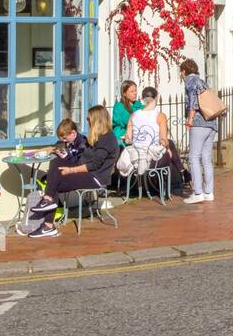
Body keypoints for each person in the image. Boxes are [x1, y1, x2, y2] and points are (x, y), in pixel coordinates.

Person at [27, 108, 120, 236]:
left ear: (97, 120)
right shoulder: (95, 136)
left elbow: (94, 165)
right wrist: (63, 156)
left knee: (54, 182)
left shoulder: (107, 138)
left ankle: (48, 223)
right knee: (56, 163)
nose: (87, 121)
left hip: (96, 177)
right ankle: (48, 208)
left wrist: (71, 170)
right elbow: (81, 160)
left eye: (88, 119)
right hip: (85, 171)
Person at [122, 85, 187, 189]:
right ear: (156, 98)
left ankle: (181, 174)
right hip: (153, 161)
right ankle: (169, 184)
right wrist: (167, 149)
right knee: (168, 151)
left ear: (142, 99)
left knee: (169, 147)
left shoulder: (133, 115)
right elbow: (163, 141)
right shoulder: (160, 116)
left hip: (136, 159)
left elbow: (128, 139)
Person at [181, 59, 217, 204]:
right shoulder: (202, 81)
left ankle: (198, 193)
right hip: (211, 122)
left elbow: (193, 102)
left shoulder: (190, 81)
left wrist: (190, 119)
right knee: (206, 158)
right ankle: (209, 192)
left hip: (199, 123)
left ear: (184, 71)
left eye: (181, 72)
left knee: (193, 157)